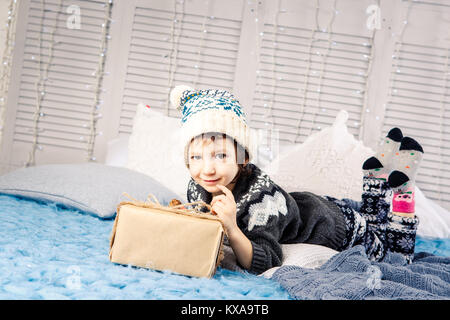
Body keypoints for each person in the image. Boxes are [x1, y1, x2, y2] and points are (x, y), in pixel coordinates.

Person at [170, 85, 423, 275]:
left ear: (242, 157)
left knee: (393, 258)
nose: (207, 169)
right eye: (196, 157)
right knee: (372, 219)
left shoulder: (261, 201)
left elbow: (266, 261)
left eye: (221, 155)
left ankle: (402, 194)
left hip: (338, 228)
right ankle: (376, 177)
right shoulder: (198, 186)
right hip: (312, 205)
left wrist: (232, 227)